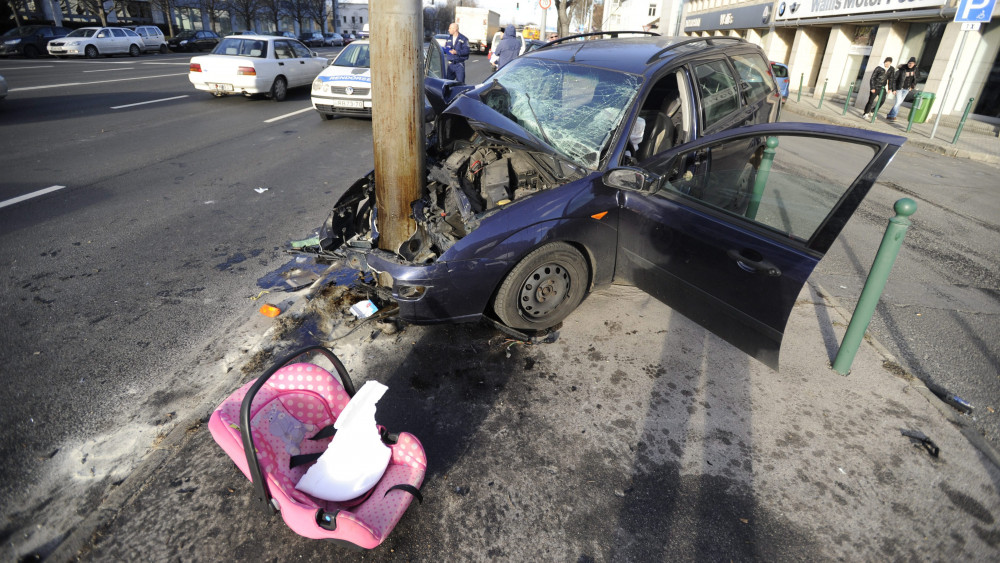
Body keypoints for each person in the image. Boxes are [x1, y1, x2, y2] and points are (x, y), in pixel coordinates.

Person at [887, 57, 918, 121]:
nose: (910, 65)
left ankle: (890, 115)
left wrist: (912, 86)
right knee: (898, 102)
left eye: (912, 63)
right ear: (907, 63)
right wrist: (894, 89)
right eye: (909, 63)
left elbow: (916, 79)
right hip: (899, 88)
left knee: (898, 103)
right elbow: (894, 80)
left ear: (914, 64)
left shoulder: (915, 71)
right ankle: (893, 116)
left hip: (906, 89)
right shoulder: (902, 70)